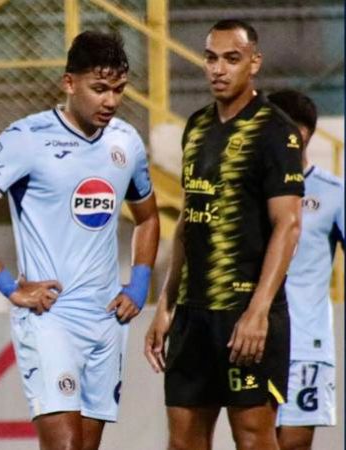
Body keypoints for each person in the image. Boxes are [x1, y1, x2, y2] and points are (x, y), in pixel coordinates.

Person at [0, 31, 160, 450]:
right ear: (68, 82)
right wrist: (10, 286)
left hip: (106, 321)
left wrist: (138, 284)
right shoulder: (26, 138)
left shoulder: (126, 143)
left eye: (118, 90)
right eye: (99, 89)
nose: (111, 101)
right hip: (52, 317)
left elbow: (148, 218)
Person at [144, 20, 305, 450]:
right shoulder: (195, 127)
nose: (218, 69)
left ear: (254, 63)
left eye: (231, 59)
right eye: (211, 58)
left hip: (244, 312)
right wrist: (165, 303)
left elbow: (288, 225)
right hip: (192, 314)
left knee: (253, 439)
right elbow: (187, 220)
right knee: (183, 442)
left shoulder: (276, 131)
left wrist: (258, 311)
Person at [267, 90, 343, 450]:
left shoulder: (333, 193)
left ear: (303, 133)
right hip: (256, 341)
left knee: (294, 445)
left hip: (306, 342)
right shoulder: (251, 192)